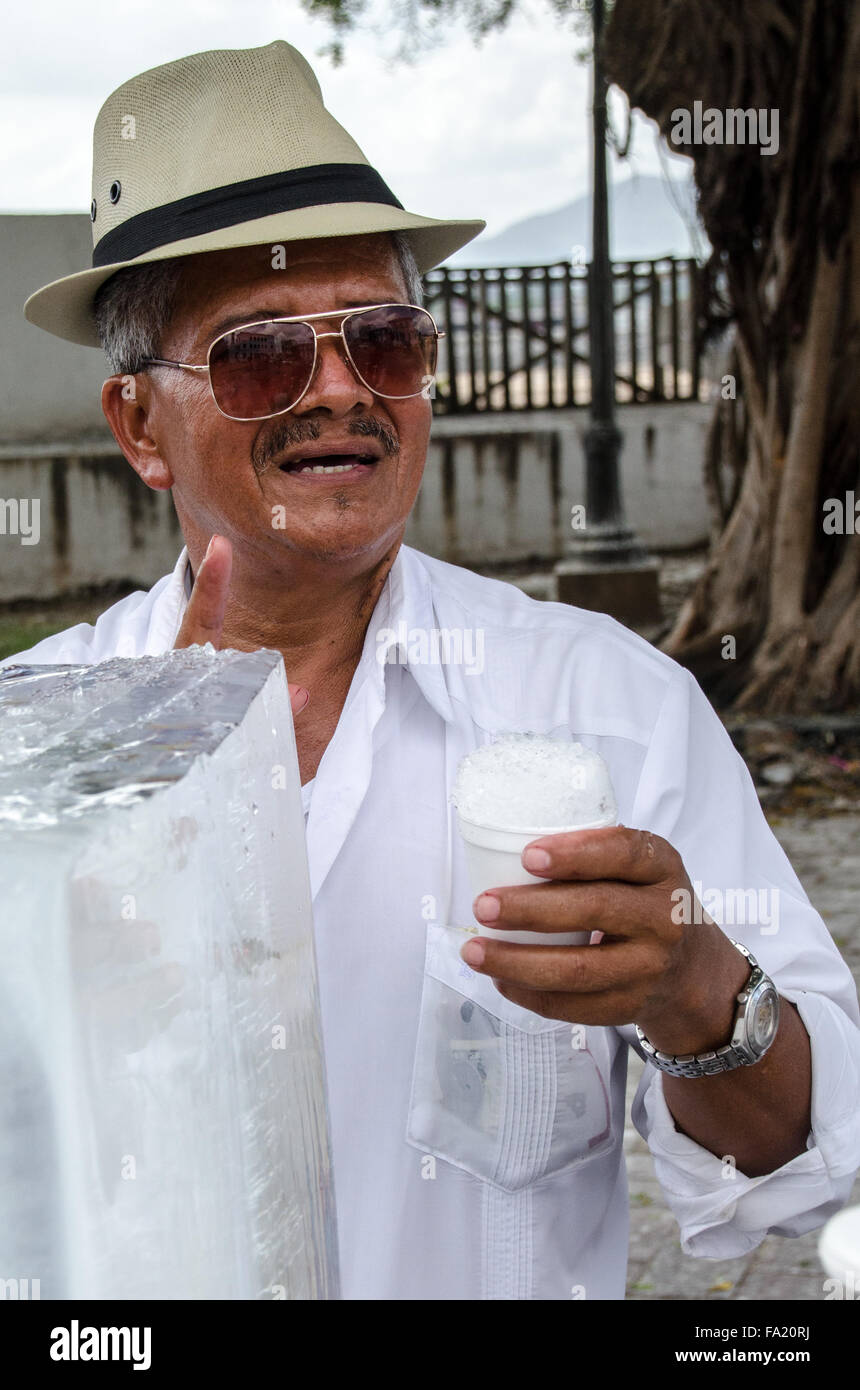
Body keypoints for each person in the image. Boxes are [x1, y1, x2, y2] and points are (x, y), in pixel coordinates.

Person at [6, 38, 859, 1301]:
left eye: (386, 339)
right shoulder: (36, 756)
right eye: (259, 355)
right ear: (140, 425)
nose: (340, 390)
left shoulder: (603, 708)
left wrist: (695, 991)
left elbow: (804, 1166)